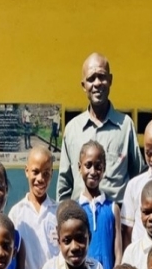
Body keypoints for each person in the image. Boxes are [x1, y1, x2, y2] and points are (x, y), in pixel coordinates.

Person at [56, 53, 145, 204]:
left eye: (102, 76)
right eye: (91, 79)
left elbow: (139, 178)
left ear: (110, 80)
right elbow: (64, 185)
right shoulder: (72, 129)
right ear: (84, 86)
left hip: (117, 220)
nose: (97, 83)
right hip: (80, 221)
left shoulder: (125, 126)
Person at [9, 146, 60, 269]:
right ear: (26, 171)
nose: (40, 179)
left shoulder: (58, 211)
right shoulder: (17, 213)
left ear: (52, 174)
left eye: (46, 173)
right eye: (35, 172)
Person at [76, 140, 121, 269]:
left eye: (98, 166)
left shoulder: (113, 208)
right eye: (88, 165)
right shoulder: (75, 209)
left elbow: (118, 252)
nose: (93, 171)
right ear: (80, 167)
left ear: (104, 168)